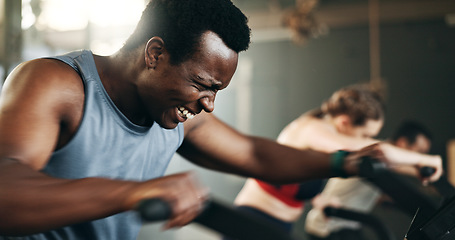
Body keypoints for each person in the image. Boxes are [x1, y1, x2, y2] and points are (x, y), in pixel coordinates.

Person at [0, 0, 442, 239]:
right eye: (203, 85)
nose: (209, 104)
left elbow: (254, 153)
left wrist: (346, 161)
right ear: (155, 54)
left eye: (217, 92)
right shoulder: (58, 85)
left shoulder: (175, 116)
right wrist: (133, 193)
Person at [224, 83, 387, 239]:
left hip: (278, 227)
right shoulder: (311, 129)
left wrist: (320, 199)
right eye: (365, 135)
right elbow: (356, 149)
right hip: (252, 223)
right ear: (344, 122)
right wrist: (410, 158)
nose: (367, 140)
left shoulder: (318, 143)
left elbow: (294, 181)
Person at [304, 120, 435, 240]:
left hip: (349, 224)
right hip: (327, 226)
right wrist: (424, 165)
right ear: (402, 143)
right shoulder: (376, 154)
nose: (420, 157)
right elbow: (395, 165)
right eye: (419, 151)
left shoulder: (386, 163)